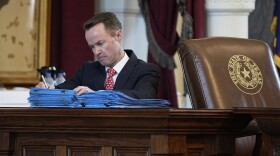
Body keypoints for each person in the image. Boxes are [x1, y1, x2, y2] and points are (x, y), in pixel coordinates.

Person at [36, 12, 160, 99]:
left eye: (100, 43)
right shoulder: (87, 70)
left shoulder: (146, 71)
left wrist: (97, 95)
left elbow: (143, 97)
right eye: (92, 47)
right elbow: (63, 90)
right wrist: (50, 90)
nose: (96, 52)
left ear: (118, 35)